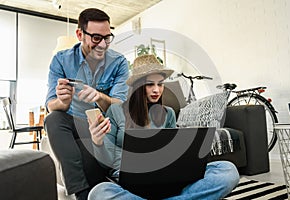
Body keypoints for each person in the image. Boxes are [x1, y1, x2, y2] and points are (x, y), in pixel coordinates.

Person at [87, 54, 240, 200]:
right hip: (130, 185)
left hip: (167, 180)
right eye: (150, 84)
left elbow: (173, 154)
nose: (157, 90)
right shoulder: (116, 111)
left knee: (228, 170)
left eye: (160, 84)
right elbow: (106, 162)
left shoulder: (169, 114)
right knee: (99, 193)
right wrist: (98, 142)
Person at [44, 8, 129, 200]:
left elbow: (118, 106)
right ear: (79, 34)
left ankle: (104, 187)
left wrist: (99, 96)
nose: (103, 45)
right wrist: (63, 101)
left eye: (107, 38)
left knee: (87, 152)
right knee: (54, 119)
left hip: (102, 124)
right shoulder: (61, 60)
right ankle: (81, 193)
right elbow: (51, 105)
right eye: (96, 38)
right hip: (72, 121)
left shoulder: (119, 63)